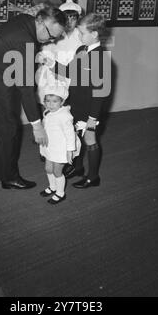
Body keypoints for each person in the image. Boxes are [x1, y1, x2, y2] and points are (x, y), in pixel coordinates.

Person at [0, 7, 66, 190]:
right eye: (49, 34)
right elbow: (26, 89)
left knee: (1, 125)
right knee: (9, 128)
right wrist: (37, 126)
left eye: (54, 38)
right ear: (39, 21)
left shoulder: (25, 20)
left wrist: (33, 57)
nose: (49, 40)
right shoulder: (25, 41)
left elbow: (13, 49)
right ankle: (9, 178)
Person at [46, 13, 111, 188]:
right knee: (75, 137)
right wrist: (51, 64)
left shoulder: (100, 57)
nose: (79, 36)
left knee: (90, 139)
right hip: (76, 103)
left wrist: (92, 119)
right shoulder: (81, 50)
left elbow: (100, 93)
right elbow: (71, 72)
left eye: (82, 33)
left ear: (95, 34)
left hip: (91, 108)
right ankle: (78, 167)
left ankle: (93, 176)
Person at [39, 78, 80, 204]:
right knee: (48, 168)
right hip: (50, 146)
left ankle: (60, 193)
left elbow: (70, 135)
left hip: (62, 149)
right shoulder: (47, 112)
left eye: (55, 101)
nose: (51, 104)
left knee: (57, 171)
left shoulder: (65, 116)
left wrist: (69, 151)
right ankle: (52, 187)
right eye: (48, 101)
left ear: (62, 102)